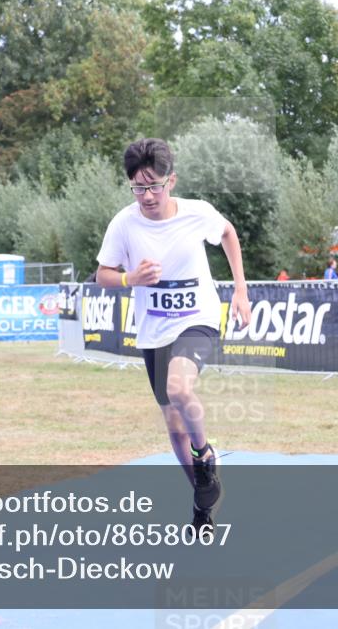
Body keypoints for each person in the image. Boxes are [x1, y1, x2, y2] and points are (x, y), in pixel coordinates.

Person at [95, 138, 251, 531]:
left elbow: (228, 234)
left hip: (197, 318)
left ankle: (206, 456)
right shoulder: (124, 224)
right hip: (154, 333)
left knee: (180, 389)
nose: (146, 196)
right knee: (174, 428)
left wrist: (240, 291)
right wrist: (132, 278)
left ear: (171, 181)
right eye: (137, 187)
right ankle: (203, 502)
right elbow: (103, 276)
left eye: (154, 186)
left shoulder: (197, 214)